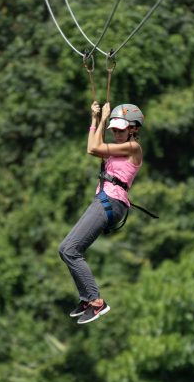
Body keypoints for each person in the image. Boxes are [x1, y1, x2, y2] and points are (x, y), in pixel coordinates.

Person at [58, 100, 145, 324]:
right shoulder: (116, 149)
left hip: (111, 202)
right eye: (113, 130)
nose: (116, 133)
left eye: (121, 129)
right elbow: (93, 145)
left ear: (134, 129)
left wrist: (104, 118)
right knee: (65, 250)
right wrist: (95, 120)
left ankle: (96, 302)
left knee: (70, 249)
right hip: (105, 200)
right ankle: (88, 299)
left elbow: (93, 148)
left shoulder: (133, 148)